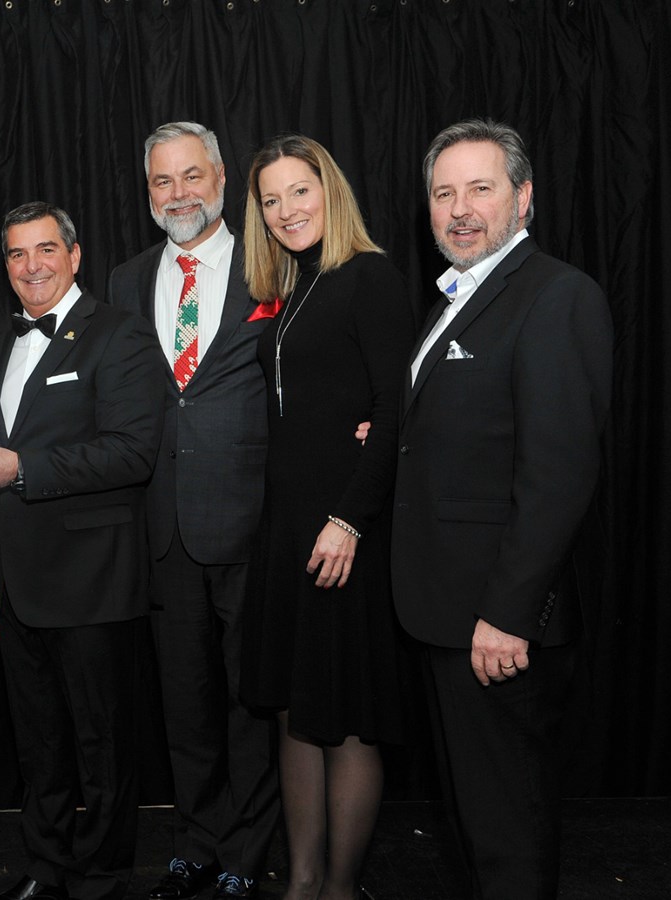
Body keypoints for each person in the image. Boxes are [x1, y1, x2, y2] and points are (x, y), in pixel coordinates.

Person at [392, 119, 612, 900]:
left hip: (495, 624)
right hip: (444, 612)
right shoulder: (455, 298)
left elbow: (558, 474)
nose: (458, 209)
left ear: (522, 198)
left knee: (506, 833)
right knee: (474, 826)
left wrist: (508, 615)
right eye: (442, 192)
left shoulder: (556, 296)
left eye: (479, 189)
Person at [0, 202, 167, 900]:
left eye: (45, 249)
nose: (32, 266)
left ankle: (101, 875)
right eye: (17, 254)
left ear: (74, 256)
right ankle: (45, 869)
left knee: (101, 743)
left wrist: (23, 469)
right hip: (17, 582)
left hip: (93, 579)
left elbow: (132, 452)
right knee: (38, 741)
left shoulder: (120, 333)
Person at [106, 121, 280, 899]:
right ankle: (197, 842)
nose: (177, 194)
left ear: (220, 178)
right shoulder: (125, 280)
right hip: (161, 526)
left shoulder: (272, 263)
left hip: (250, 521)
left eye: (190, 176)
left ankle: (247, 851)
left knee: (249, 700)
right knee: (183, 702)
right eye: (160, 181)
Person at [239, 134, 412, 900]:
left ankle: (338, 889)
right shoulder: (297, 285)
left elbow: (394, 408)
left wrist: (348, 520)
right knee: (294, 710)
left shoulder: (368, 276)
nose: (285, 210)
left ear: (329, 190)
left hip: (343, 532)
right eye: (270, 200)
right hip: (288, 532)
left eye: (298, 191)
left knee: (344, 718)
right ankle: (300, 883)